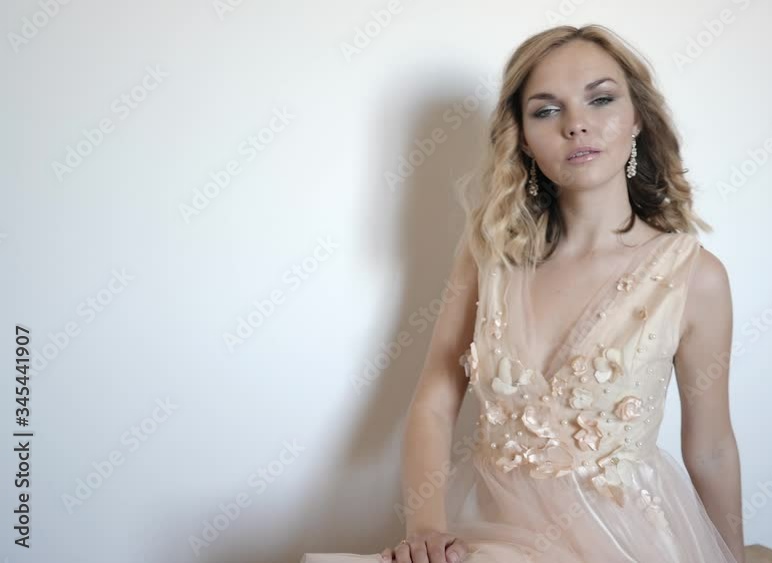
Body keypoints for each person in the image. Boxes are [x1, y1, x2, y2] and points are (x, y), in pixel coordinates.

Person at [303, 24, 745, 563]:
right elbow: (436, 401)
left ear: (637, 120)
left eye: (601, 100)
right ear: (524, 139)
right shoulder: (490, 258)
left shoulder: (693, 276)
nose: (577, 125)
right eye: (546, 110)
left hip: (621, 541)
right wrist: (425, 528)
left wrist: (735, 557)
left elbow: (713, 449)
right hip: (495, 534)